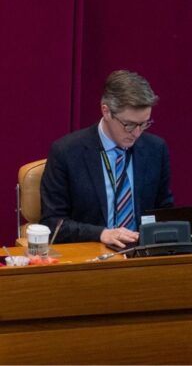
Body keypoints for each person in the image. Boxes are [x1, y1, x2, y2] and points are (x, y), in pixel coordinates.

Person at [40, 70, 173, 248]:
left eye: (144, 124)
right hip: (91, 254)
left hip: (143, 254)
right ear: (106, 111)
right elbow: (53, 223)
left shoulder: (156, 149)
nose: (136, 133)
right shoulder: (67, 152)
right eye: (129, 124)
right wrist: (101, 233)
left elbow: (164, 210)